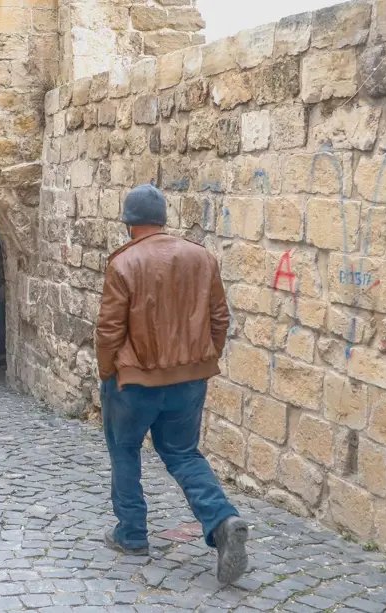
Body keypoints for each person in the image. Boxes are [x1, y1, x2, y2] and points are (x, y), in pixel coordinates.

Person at [95, 184, 247, 584]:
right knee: (183, 453)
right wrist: (204, 358)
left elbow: (109, 329)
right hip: (190, 377)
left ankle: (131, 534)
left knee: (124, 450)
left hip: (135, 379)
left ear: (129, 223)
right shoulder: (202, 257)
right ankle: (222, 518)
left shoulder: (124, 263)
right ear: (162, 218)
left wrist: (108, 371)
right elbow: (220, 317)